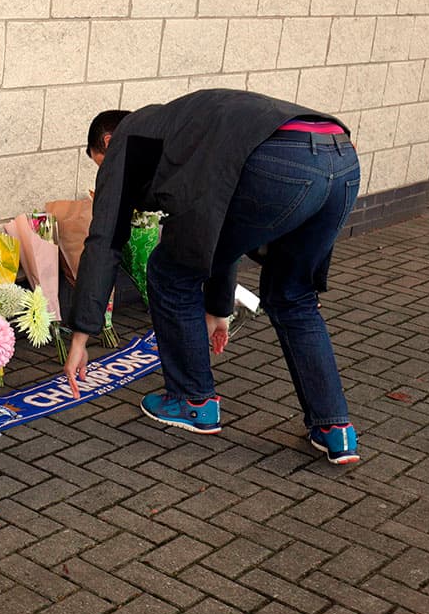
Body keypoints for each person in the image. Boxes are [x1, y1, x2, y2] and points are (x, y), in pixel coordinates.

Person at [62, 89, 361, 465]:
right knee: (292, 295)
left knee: (168, 273)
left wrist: (80, 336)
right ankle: (334, 428)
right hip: (341, 156)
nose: (107, 177)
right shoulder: (189, 130)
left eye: (101, 165)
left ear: (108, 140)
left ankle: (192, 401)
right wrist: (219, 309)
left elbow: (105, 237)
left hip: (281, 161)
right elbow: (218, 230)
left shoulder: (130, 136)